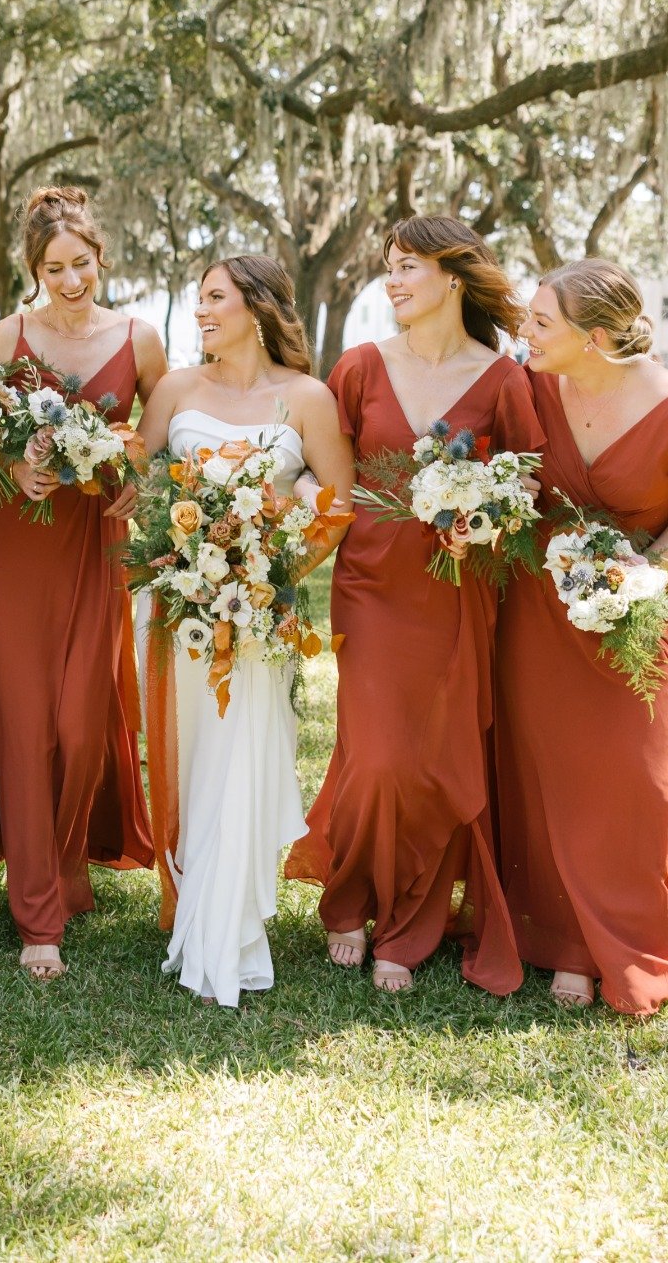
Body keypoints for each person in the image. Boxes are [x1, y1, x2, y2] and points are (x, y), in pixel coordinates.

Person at [287, 216, 540, 995]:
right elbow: (309, 467)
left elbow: (528, 483)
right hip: (370, 584)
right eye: (388, 268)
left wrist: (487, 518)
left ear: (455, 278)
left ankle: (406, 924)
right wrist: (312, 505)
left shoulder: (503, 381)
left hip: (456, 590)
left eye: (408, 267)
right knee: (375, 756)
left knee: (434, 761)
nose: (393, 281)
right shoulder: (360, 367)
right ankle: (349, 897)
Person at [496, 258, 668, 1013]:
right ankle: (564, 941)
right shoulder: (531, 387)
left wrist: (645, 565)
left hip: (641, 610)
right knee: (549, 768)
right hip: (541, 608)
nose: (525, 332)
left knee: (644, 779)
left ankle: (631, 940)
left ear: (595, 338)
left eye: (542, 322)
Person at [135, 255, 354, 1008]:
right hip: (179, 604)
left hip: (260, 610)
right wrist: (175, 539)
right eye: (198, 299)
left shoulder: (307, 398)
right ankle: (191, 901)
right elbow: (138, 483)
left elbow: (337, 507)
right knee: (190, 755)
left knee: (241, 752)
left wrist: (276, 561)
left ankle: (226, 935)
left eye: (215, 299)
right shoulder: (175, 389)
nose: (201, 311)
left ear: (256, 309)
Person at [0, 186, 166, 979]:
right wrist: (11, 460)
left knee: (84, 724)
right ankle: (37, 911)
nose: (70, 278)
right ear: (34, 268)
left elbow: (162, 420)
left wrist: (139, 475)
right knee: (26, 727)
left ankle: (64, 862)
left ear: (101, 257)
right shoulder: (4, 334)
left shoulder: (141, 337)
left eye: (81, 263)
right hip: (18, 540)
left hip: (98, 541)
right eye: (54, 267)